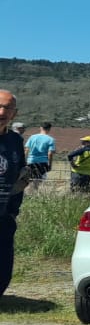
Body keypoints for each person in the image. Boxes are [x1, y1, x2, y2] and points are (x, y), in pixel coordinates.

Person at [1, 90, 26, 297]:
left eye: (7, 108)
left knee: (3, 266)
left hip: (4, 214)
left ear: (14, 114)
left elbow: (20, 176)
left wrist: (13, 211)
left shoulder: (15, 141)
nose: (2, 112)